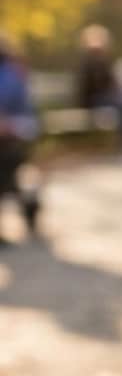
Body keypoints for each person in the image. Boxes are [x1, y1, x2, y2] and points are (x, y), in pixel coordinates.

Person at [0, 33, 40, 240]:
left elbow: (30, 120)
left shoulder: (13, 74)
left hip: (11, 142)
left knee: (9, 163)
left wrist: (11, 126)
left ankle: (29, 204)